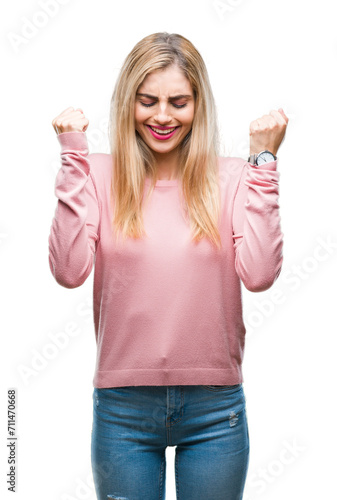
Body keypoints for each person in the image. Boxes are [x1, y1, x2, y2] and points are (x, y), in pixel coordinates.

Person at [49, 32, 288, 500]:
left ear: (199, 105)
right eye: (147, 101)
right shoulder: (96, 173)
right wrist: (72, 156)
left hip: (215, 411)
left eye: (178, 102)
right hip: (123, 409)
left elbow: (259, 275)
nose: (162, 116)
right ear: (128, 103)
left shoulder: (236, 177)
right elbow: (68, 270)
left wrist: (265, 162)